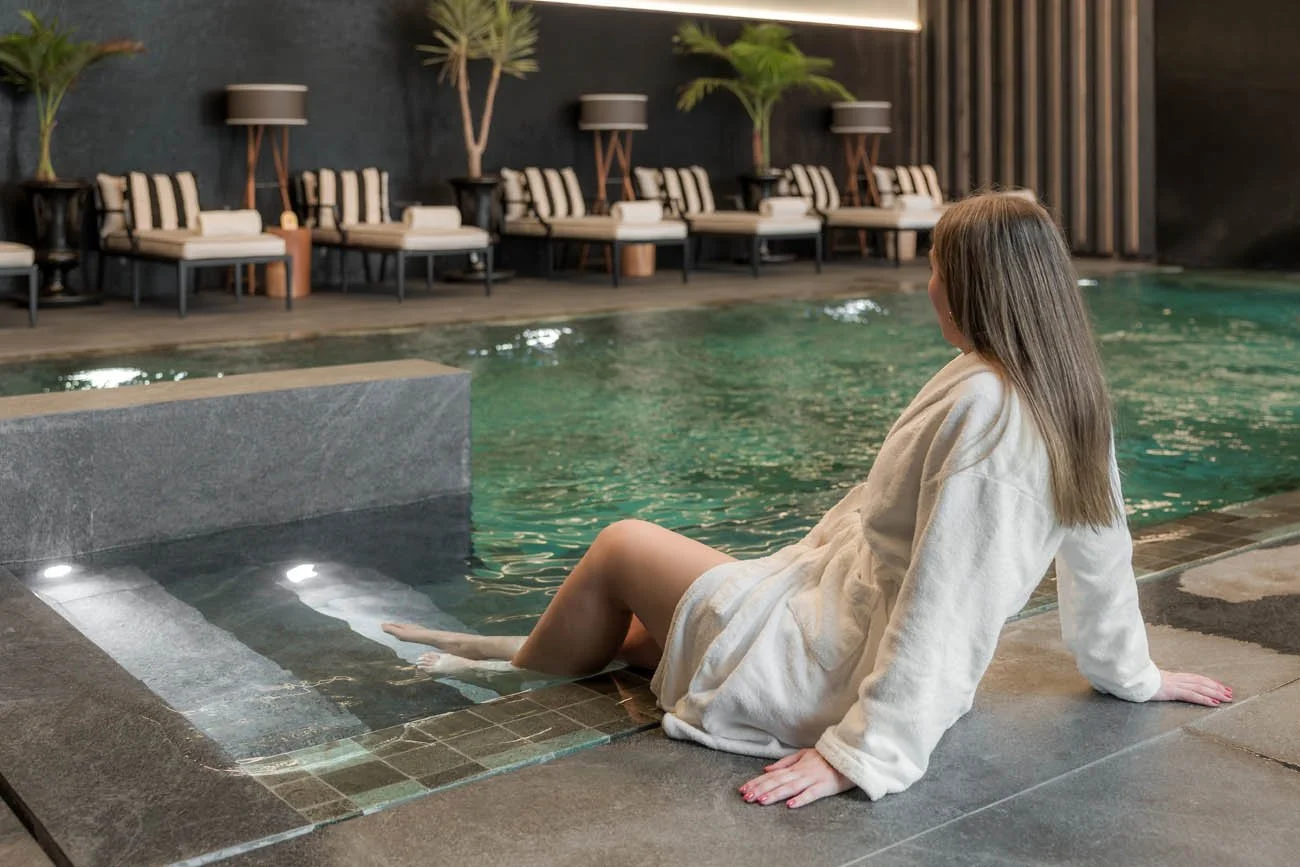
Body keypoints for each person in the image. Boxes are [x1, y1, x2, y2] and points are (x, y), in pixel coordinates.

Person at [383, 192, 1232, 809]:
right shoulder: (1065, 395)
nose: (926, 285)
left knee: (619, 544)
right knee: (643, 635)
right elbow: (1103, 556)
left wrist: (865, 752)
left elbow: (947, 601)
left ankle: (513, 670)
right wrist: (1132, 674)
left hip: (833, 665)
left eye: (935, 269)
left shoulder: (990, 413)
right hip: (837, 622)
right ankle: (518, 652)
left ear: (977, 287)